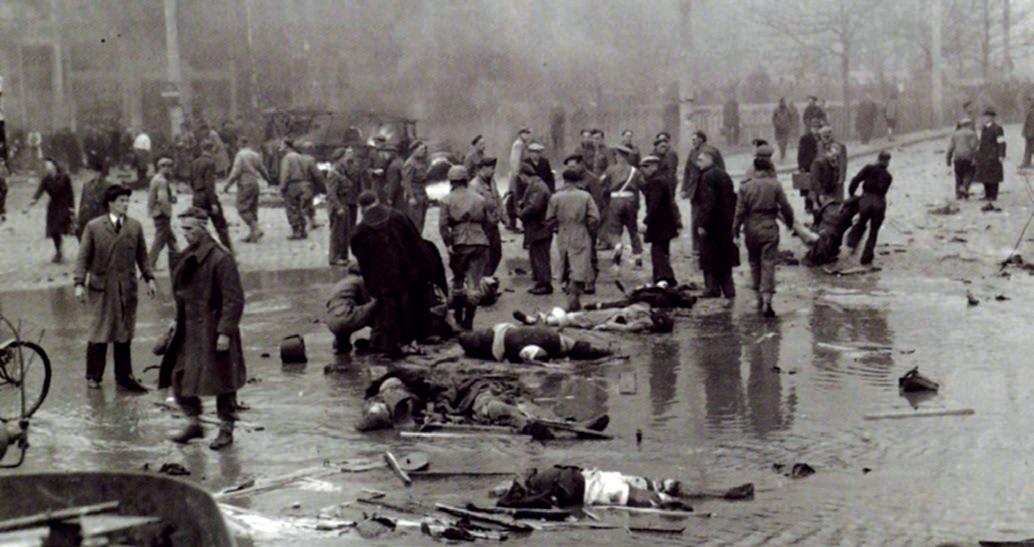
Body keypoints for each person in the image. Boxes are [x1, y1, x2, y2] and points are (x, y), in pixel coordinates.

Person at [159, 207, 246, 450]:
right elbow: (183, 294)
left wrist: (225, 332)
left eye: (189, 229)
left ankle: (226, 428)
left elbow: (234, 299)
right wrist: (176, 320)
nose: (184, 233)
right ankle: (194, 422)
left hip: (213, 329)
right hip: (189, 327)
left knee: (223, 380)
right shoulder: (188, 254)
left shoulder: (221, 258)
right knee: (179, 374)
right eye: (182, 229)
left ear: (203, 228)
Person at [74, 184, 156, 392]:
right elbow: (83, 258)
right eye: (121, 201)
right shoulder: (94, 227)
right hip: (101, 287)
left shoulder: (134, 227)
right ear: (110, 203)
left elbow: (143, 256)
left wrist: (149, 278)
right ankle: (93, 376)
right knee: (100, 330)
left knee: (124, 331)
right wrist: (79, 283)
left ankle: (124, 376)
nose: (125, 204)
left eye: (127, 201)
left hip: (126, 287)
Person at [351, 191, 436, 356]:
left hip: (384, 280)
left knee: (389, 312)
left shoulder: (359, 231)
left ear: (361, 208)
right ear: (377, 200)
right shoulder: (398, 217)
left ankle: (390, 344)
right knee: (413, 307)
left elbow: (363, 262)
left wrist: (372, 286)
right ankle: (417, 339)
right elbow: (417, 245)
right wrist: (427, 270)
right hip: (410, 274)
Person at [733, 157, 795, 318]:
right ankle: (767, 299)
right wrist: (790, 223)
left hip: (751, 227)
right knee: (768, 263)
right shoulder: (775, 185)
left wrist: (735, 231)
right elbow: (786, 206)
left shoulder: (745, 186)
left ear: (755, 169)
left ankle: (758, 295)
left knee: (754, 262)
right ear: (768, 169)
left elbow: (739, 212)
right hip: (769, 226)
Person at [495, 465, 694, 509]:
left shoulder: (536, 487)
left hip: (589, 484)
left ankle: (664, 496)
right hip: (589, 479)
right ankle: (664, 490)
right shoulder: (542, 480)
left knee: (630, 492)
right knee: (629, 486)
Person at [440, 165, 493, 329]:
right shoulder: (479, 199)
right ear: (466, 180)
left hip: (459, 242)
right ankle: (469, 320)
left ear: (451, 181)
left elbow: (443, 225)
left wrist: (448, 243)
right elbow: (488, 222)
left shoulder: (446, 199)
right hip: (479, 241)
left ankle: (458, 318)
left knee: (458, 280)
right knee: (474, 283)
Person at [547, 168, 600, 311]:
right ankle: (573, 300)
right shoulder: (585, 196)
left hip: (563, 235)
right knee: (579, 269)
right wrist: (590, 230)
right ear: (577, 181)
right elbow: (594, 218)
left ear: (564, 180)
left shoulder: (556, 197)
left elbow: (549, 219)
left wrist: (557, 228)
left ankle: (571, 298)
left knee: (565, 265)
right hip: (580, 233)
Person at [695, 150, 738, 298]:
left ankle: (712, 288)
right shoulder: (723, 174)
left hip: (712, 225)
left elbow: (708, 202)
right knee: (725, 258)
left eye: (700, 160)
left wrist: (702, 224)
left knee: (709, 257)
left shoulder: (707, 177)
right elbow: (732, 198)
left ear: (710, 159)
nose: (698, 163)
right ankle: (729, 289)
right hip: (725, 223)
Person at [845, 151, 893, 266]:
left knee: (861, 222)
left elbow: (855, 180)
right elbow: (883, 191)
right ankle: (866, 257)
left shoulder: (869, 168)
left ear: (878, 158)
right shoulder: (888, 176)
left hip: (866, 200)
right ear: (888, 162)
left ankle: (852, 241)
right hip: (879, 203)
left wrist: (851, 194)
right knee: (874, 231)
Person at [600, 145, 644, 268]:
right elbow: (642, 185)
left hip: (615, 201)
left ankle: (618, 246)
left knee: (615, 229)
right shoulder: (634, 170)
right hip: (630, 201)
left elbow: (601, 183)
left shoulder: (610, 170)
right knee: (633, 229)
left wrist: (606, 194)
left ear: (618, 156)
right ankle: (638, 256)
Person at [682, 131, 725, 255]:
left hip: (708, 188)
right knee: (696, 219)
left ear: (701, 139)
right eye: (692, 139)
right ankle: (697, 247)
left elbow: (721, 170)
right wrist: (684, 188)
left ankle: (708, 246)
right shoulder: (692, 152)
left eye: (694, 139)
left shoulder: (712, 151)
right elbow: (687, 171)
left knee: (708, 217)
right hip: (695, 190)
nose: (693, 141)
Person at [223, 136, 271, 243]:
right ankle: (253, 234)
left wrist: (227, 185)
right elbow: (262, 169)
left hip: (244, 184)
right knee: (252, 208)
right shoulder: (255, 155)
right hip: (255, 183)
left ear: (239, 144)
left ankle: (256, 229)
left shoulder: (240, 155)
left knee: (242, 208)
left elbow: (236, 172)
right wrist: (268, 179)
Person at [513, 302, 673, 333]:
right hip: (612, 313)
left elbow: (627, 328)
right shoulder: (645, 312)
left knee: (576, 318)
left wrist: (607, 326)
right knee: (577, 317)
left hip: (610, 316)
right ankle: (541, 320)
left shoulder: (645, 320)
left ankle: (538, 321)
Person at [191, 140, 235, 252]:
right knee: (221, 226)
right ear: (211, 149)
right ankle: (228, 251)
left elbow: (191, 182)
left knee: (199, 226)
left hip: (197, 197)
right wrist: (213, 202)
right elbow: (209, 184)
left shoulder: (194, 162)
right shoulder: (210, 163)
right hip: (207, 197)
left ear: (201, 148)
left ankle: (199, 252)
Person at [324, 259, 376, 353]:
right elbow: (366, 302)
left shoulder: (341, 283)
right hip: (346, 318)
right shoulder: (359, 281)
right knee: (379, 304)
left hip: (331, 321)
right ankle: (378, 341)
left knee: (342, 313)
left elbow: (328, 304)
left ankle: (341, 343)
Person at [641, 156, 679, 286]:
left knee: (658, 252)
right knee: (663, 251)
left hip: (659, 224)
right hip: (666, 223)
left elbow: (654, 205)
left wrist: (646, 221)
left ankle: (663, 278)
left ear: (654, 166)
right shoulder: (662, 179)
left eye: (646, 167)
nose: (643, 170)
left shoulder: (655, 182)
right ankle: (666, 279)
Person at [29, 158, 75, 263]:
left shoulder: (65, 177)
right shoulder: (46, 179)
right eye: (46, 166)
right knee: (54, 230)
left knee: (71, 229)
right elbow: (40, 190)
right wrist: (34, 200)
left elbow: (70, 193)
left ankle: (85, 250)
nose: (48, 168)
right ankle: (58, 252)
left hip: (64, 206)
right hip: (53, 207)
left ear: (55, 166)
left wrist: (72, 207)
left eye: (50, 165)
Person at [518, 162, 554, 295]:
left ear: (524, 175)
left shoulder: (537, 186)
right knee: (537, 256)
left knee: (541, 257)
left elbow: (534, 207)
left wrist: (521, 213)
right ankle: (540, 282)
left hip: (540, 228)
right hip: (538, 228)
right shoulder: (536, 185)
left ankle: (545, 284)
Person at [326, 147, 363, 265]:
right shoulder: (333, 173)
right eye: (344, 157)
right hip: (339, 204)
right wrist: (338, 207)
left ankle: (343, 256)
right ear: (339, 159)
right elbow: (331, 193)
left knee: (345, 232)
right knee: (337, 233)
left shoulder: (342, 171)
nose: (346, 159)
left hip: (345, 203)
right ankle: (334, 257)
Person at [469, 157, 504, 277]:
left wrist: (502, 214)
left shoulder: (492, 181)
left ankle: (487, 277)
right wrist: (487, 216)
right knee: (485, 255)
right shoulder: (474, 185)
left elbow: (497, 197)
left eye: (493, 168)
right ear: (482, 168)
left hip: (493, 224)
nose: (493, 171)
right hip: (482, 225)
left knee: (497, 253)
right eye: (491, 168)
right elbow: (475, 208)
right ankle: (484, 280)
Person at [278, 139, 318, 240]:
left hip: (292, 185)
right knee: (300, 208)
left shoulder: (287, 158)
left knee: (292, 208)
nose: (280, 148)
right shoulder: (301, 157)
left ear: (286, 146)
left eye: (282, 145)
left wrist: (282, 187)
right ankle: (303, 230)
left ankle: (296, 231)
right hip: (303, 184)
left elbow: (285, 173)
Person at [147, 157, 179, 271]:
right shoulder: (161, 181)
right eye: (168, 166)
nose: (170, 169)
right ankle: (149, 264)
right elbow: (162, 199)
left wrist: (171, 199)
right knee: (159, 240)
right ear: (162, 167)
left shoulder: (156, 179)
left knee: (170, 239)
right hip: (161, 214)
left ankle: (178, 261)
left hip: (156, 212)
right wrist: (167, 213)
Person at [975, 107, 1006, 202]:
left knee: (993, 176)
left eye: (987, 116)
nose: (985, 118)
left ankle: (993, 195)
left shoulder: (997, 128)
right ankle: (987, 194)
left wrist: (1001, 155)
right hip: (984, 155)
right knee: (985, 175)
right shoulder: (984, 128)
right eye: (984, 116)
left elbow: (1001, 142)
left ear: (992, 117)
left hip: (994, 155)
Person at [76, 157, 111, 240]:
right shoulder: (86, 186)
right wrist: (79, 221)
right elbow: (82, 205)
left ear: (98, 172)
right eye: (89, 171)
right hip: (88, 221)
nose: (89, 174)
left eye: (91, 171)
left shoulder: (108, 186)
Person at [402, 140, 431, 233]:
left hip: (422, 193)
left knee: (421, 221)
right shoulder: (410, 164)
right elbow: (406, 182)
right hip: (415, 194)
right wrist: (411, 197)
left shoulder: (420, 162)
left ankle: (418, 238)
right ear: (414, 150)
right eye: (421, 149)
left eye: (424, 149)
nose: (423, 151)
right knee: (415, 222)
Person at [946, 118, 979, 200]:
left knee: (958, 175)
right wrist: (975, 158)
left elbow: (950, 148)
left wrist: (948, 159)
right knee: (970, 173)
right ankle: (964, 187)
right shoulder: (972, 134)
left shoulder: (955, 134)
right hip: (968, 157)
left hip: (957, 158)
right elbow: (974, 147)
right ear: (969, 125)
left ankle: (958, 194)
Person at [508, 127, 532, 230]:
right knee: (517, 199)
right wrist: (518, 175)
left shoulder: (523, 145)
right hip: (518, 176)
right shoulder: (518, 145)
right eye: (525, 133)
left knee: (518, 199)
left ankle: (515, 223)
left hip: (520, 175)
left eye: (528, 133)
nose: (527, 135)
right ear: (520, 134)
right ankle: (515, 224)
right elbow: (515, 161)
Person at [797, 121, 822, 214]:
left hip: (819, 165)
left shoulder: (821, 138)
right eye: (814, 127)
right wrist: (801, 166)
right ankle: (808, 205)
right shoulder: (805, 138)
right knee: (808, 185)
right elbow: (801, 153)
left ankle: (818, 203)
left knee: (818, 185)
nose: (816, 129)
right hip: (808, 165)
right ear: (811, 128)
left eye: (817, 127)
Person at [298, 142, 324, 229]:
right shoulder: (310, 160)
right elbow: (316, 174)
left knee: (306, 204)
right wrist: (322, 186)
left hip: (297, 184)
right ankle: (304, 224)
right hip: (307, 184)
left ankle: (311, 222)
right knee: (307, 204)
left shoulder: (297, 158)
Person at [1022, 96, 1034, 169]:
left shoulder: (1032, 112)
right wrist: (1024, 132)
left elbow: (1032, 124)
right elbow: (1026, 123)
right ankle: (1026, 163)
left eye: (1030, 101)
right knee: (1028, 149)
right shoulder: (1030, 111)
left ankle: (1026, 163)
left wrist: (1030, 134)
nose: (1029, 102)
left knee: (1030, 149)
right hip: (1029, 134)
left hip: (1031, 134)